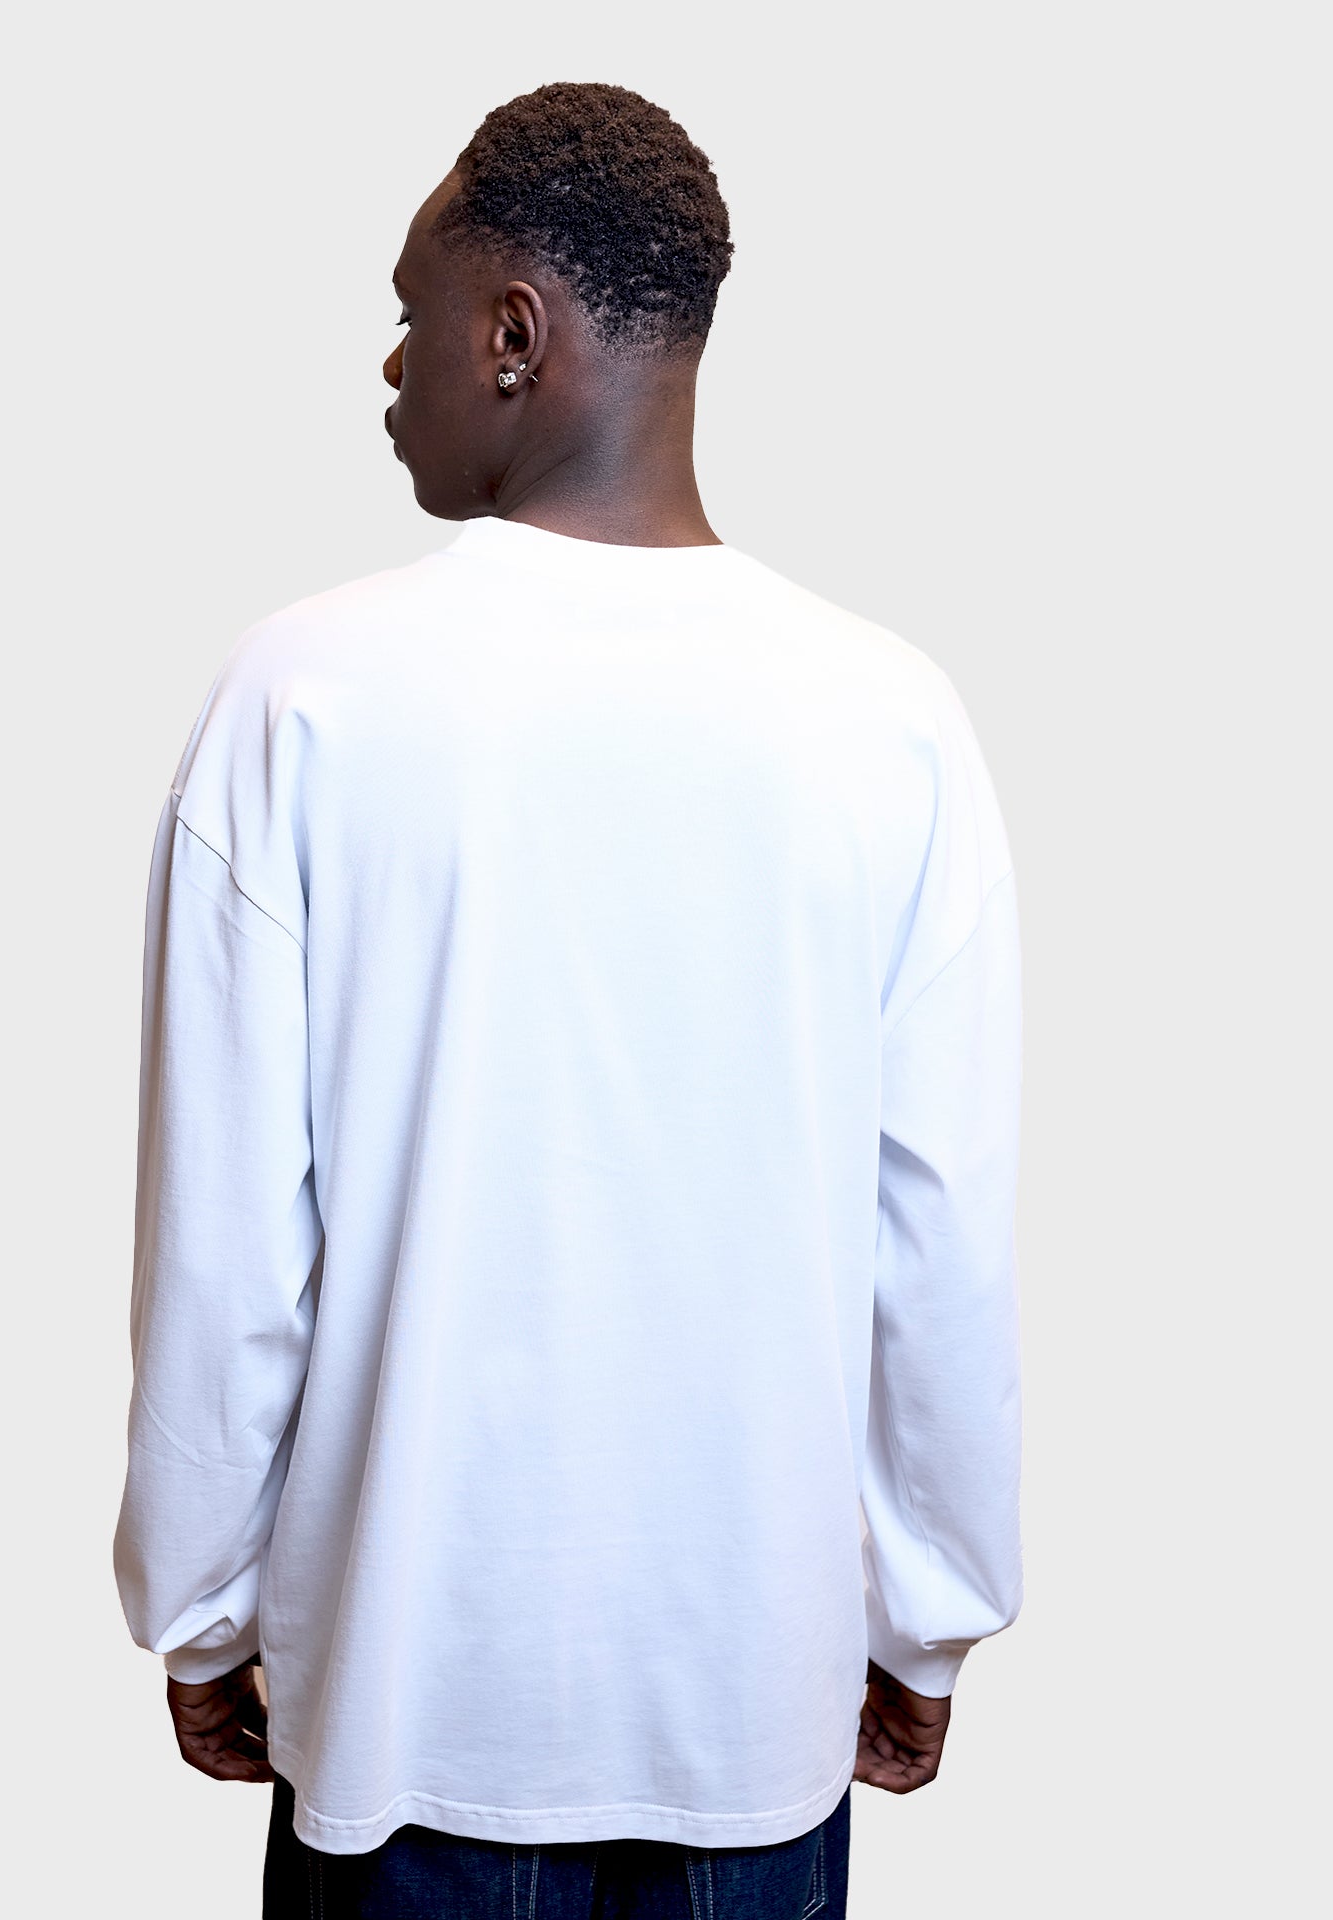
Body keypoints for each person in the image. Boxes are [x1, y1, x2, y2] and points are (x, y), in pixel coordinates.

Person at [113, 81, 1024, 1920]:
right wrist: (929, 1618)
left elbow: (227, 1254)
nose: (390, 366)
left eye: (413, 311)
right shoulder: (893, 724)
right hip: (751, 1730)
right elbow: (938, 1244)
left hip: (401, 1727)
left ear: (513, 333)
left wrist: (201, 1610)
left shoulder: (303, 702)